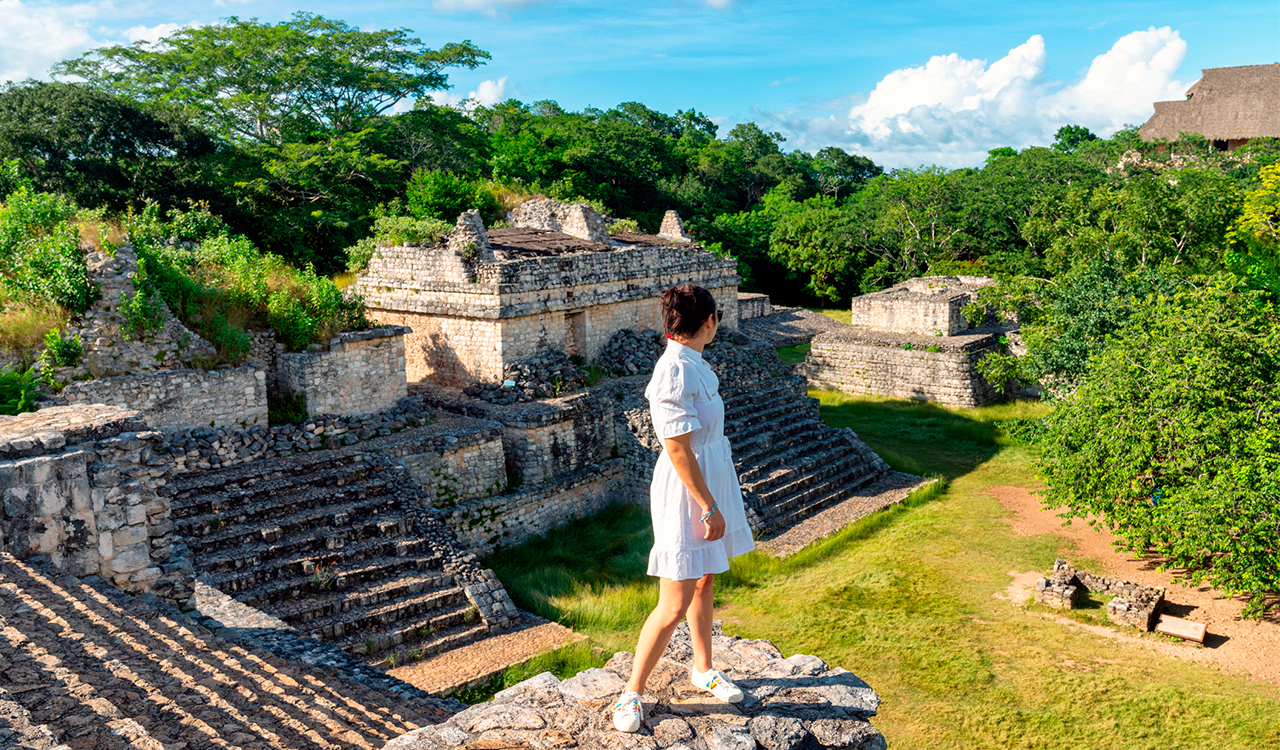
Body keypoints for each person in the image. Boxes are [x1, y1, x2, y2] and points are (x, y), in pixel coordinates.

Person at [612, 283, 755, 733]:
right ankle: (631, 693)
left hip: (708, 476)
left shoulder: (694, 363)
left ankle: (703, 667)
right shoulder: (674, 369)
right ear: (709, 322)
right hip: (686, 489)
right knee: (673, 600)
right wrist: (709, 506)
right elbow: (676, 449)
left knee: (705, 577)